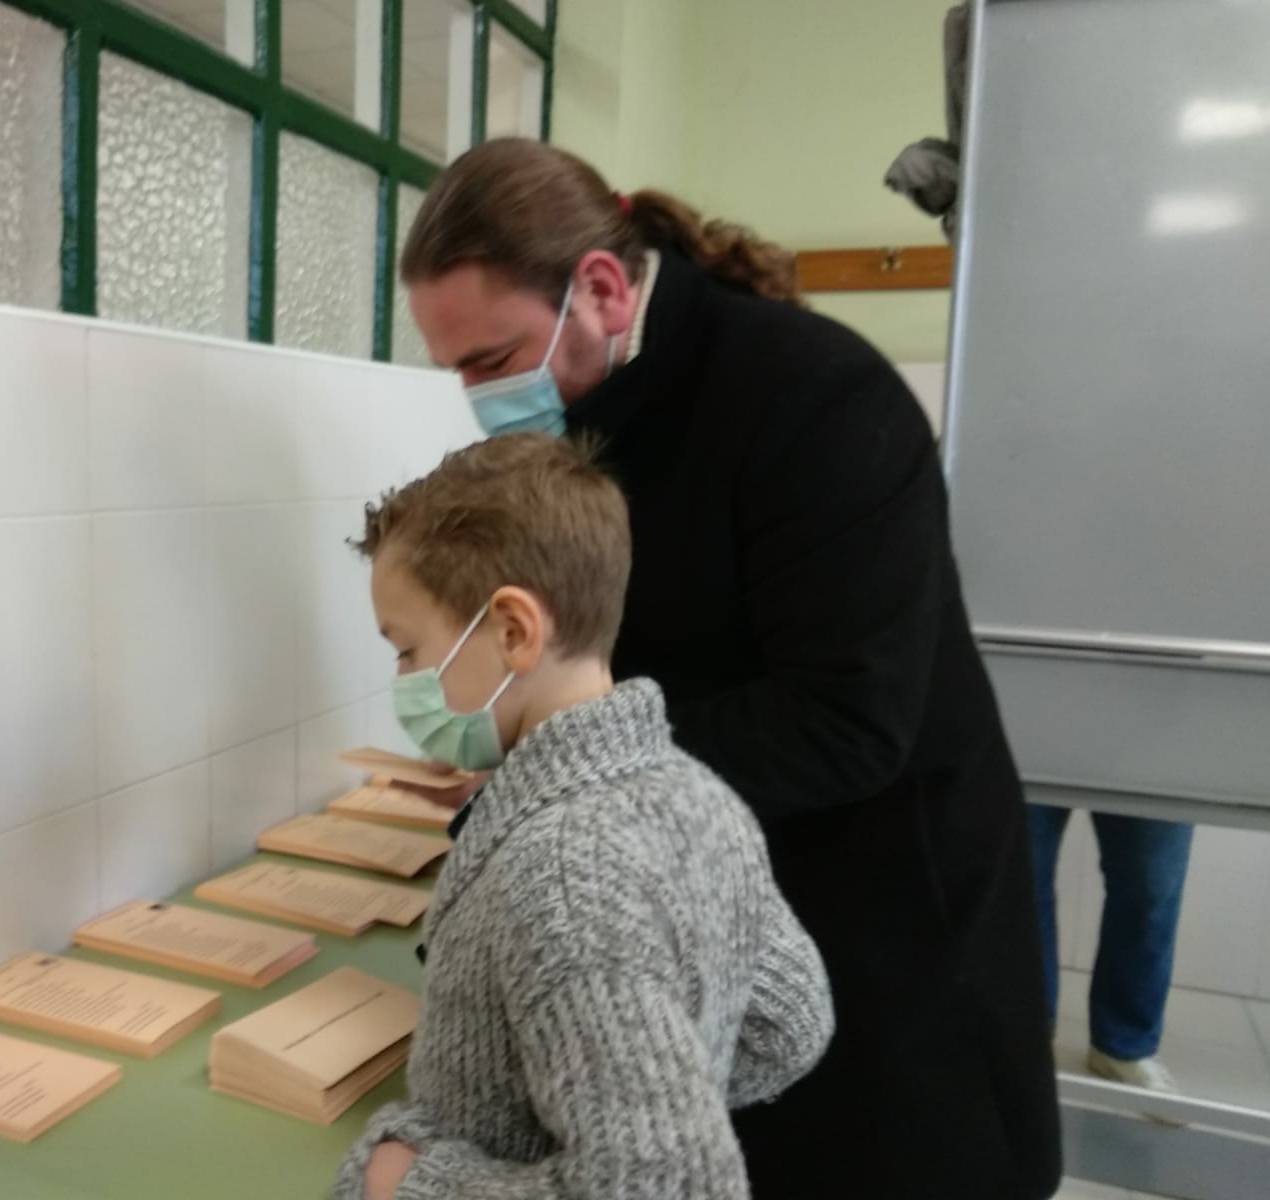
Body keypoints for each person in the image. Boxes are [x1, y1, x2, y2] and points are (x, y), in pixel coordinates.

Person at [394, 138, 1062, 1199]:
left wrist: (561, 789)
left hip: (879, 905)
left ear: (602, 290)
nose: (480, 395)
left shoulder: (817, 396)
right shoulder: (598, 400)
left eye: (491, 359)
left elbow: (843, 719)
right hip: (710, 875)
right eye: (459, 370)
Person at [334, 433, 833, 1200]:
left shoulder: (563, 876)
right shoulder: (699, 795)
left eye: (407, 649)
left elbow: (669, 1187)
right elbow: (791, 1020)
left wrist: (412, 1185)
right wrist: (662, 1090)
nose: (403, 678)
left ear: (512, 631)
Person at [1028, 805, 1193, 1097]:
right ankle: (1023, 1040)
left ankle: (1124, 1046)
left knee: (1152, 885)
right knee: (1018, 875)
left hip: (1159, 759)